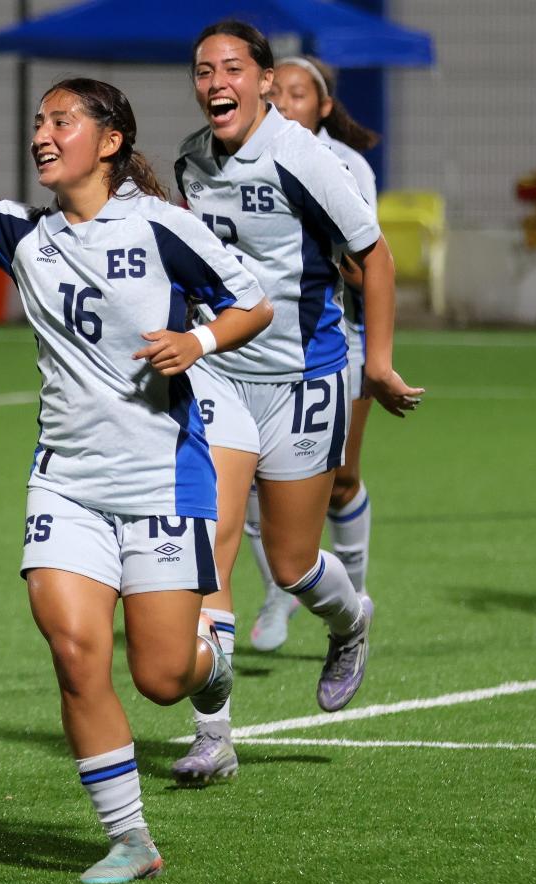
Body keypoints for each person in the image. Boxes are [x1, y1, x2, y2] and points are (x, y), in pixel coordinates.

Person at [0, 26, 273, 883]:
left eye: (61, 120)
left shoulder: (164, 228)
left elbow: (254, 304)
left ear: (112, 141)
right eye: (37, 122)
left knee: (164, 677)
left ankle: (213, 667)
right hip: (67, 484)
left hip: (162, 479)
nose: (42, 135)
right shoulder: (21, 233)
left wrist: (198, 341)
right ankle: (130, 838)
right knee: (74, 651)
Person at [170, 21, 423, 785]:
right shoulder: (190, 160)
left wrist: (374, 362)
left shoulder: (301, 156)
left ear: (262, 78)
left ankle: (351, 622)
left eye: (231, 68)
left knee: (290, 561)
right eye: (203, 68)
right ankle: (212, 734)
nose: (216, 81)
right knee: (208, 541)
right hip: (219, 373)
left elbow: (372, 256)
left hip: (303, 377)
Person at [247, 55, 381, 651]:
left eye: (300, 94)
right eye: (280, 92)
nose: (288, 102)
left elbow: (366, 262)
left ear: (323, 106)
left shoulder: (340, 164)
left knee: (343, 480)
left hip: (336, 342)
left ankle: (350, 602)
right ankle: (281, 589)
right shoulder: (228, 155)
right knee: (248, 487)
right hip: (251, 352)